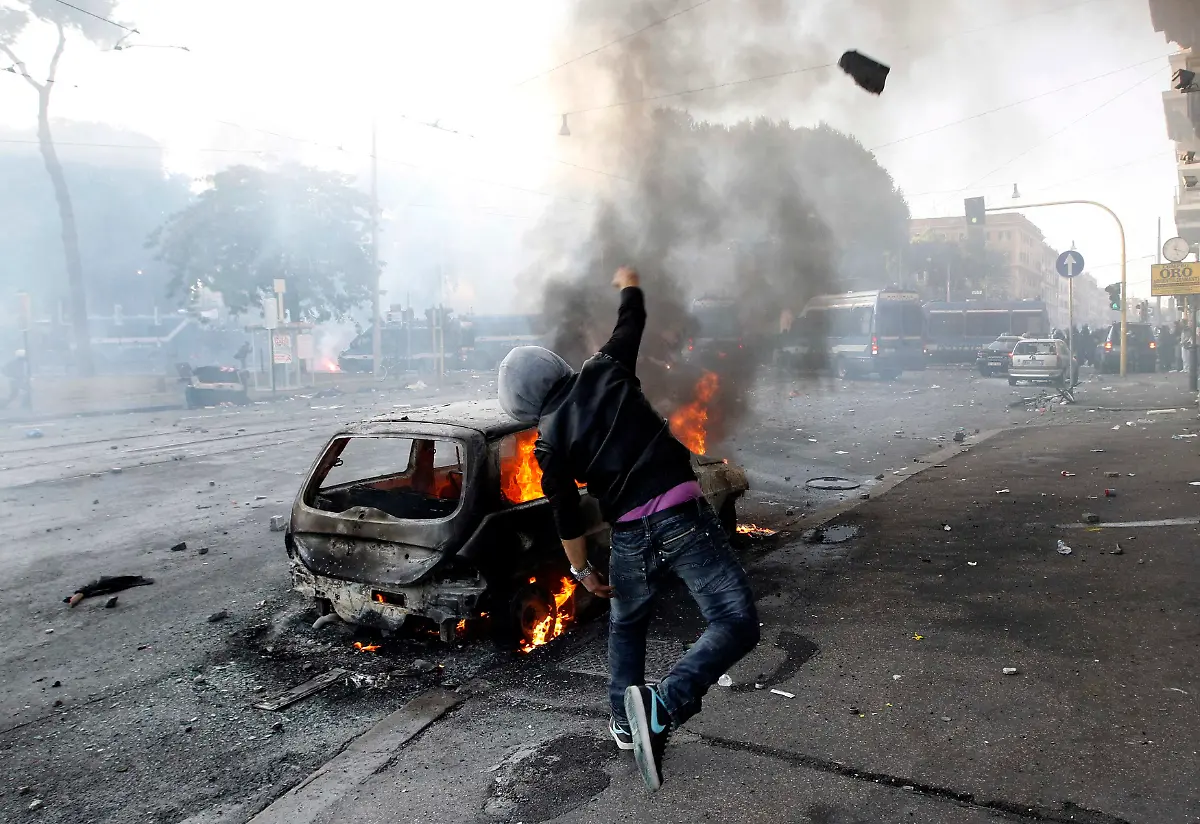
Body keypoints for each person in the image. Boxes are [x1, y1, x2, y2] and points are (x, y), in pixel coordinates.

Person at [496, 266, 759, 792]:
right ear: (556, 367)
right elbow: (632, 319)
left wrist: (582, 570)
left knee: (627, 623)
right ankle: (664, 702)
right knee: (735, 620)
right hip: (680, 517)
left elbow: (566, 514)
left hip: (630, 538)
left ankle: (624, 719)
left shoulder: (547, 444)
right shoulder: (604, 369)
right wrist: (629, 283)